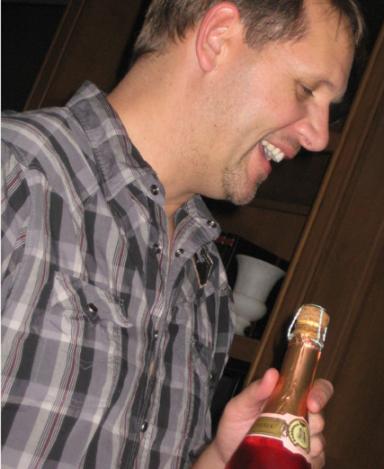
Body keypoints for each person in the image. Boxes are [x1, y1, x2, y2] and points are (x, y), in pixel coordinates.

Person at [1, 0, 364, 467]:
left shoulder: (207, 285)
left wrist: (220, 457)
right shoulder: (15, 175)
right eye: (306, 89)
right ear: (218, 37)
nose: (319, 137)